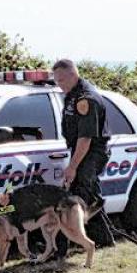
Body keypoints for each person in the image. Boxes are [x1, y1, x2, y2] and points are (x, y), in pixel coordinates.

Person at [52, 59, 115, 261]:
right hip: (80, 150)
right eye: (56, 80)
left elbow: (85, 139)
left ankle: (72, 245)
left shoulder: (86, 99)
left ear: (73, 75)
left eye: (61, 79)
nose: (59, 84)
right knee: (89, 195)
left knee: (81, 195)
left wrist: (72, 167)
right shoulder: (72, 94)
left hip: (91, 151)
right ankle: (104, 238)